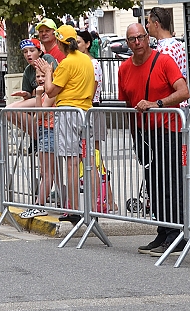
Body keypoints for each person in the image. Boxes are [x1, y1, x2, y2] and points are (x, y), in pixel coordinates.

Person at [118, 23, 190, 256]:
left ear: (148, 38)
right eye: (132, 39)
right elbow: (128, 105)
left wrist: (157, 104)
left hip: (169, 130)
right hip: (144, 134)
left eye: (141, 37)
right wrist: (134, 137)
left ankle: (178, 235)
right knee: (154, 185)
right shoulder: (124, 69)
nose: (137, 42)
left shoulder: (164, 61)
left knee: (171, 183)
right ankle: (163, 231)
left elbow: (183, 91)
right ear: (127, 44)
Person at [34, 24, 95, 224]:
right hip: (85, 112)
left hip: (69, 113)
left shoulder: (68, 63)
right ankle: (90, 208)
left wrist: (48, 71)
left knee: (70, 163)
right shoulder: (86, 59)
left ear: (60, 42)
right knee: (84, 162)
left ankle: (74, 209)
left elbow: (51, 91)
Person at [76, 29, 116, 213]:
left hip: (92, 110)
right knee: (86, 157)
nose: (75, 45)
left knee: (96, 156)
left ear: (87, 44)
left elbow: (93, 89)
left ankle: (108, 198)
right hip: (82, 112)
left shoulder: (93, 63)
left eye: (78, 42)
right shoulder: (78, 62)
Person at [19, 67, 58, 220]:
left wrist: (38, 96)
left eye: (44, 75)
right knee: (46, 171)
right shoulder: (44, 94)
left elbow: (40, 114)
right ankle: (41, 203)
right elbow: (36, 117)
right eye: (38, 76)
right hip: (44, 131)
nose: (40, 79)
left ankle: (39, 205)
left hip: (50, 131)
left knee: (47, 172)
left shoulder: (49, 93)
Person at [147, 7, 188, 108]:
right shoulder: (178, 45)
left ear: (156, 24)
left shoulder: (165, 50)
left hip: (172, 106)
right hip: (181, 105)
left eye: (148, 22)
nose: (147, 26)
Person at [11, 39, 57, 104]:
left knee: (13, 107)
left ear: (40, 52)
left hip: (53, 96)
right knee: (13, 110)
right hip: (39, 99)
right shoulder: (27, 71)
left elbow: (58, 79)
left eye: (32, 50)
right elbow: (28, 93)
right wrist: (25, 94)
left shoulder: (46, 59)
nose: (28, 54)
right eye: (25, 52)